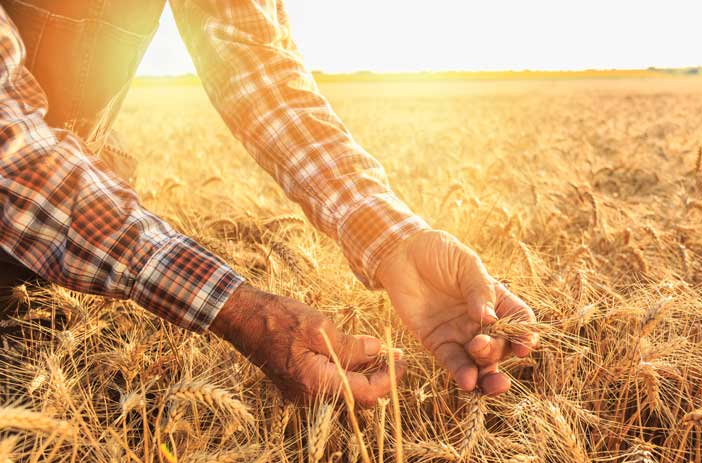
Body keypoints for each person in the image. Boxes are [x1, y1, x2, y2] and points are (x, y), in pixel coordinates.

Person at [0, 0, 538, 407]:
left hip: (44, 223)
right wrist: (241, 310)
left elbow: (255, 59)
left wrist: (390, 236)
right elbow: (9, 144)